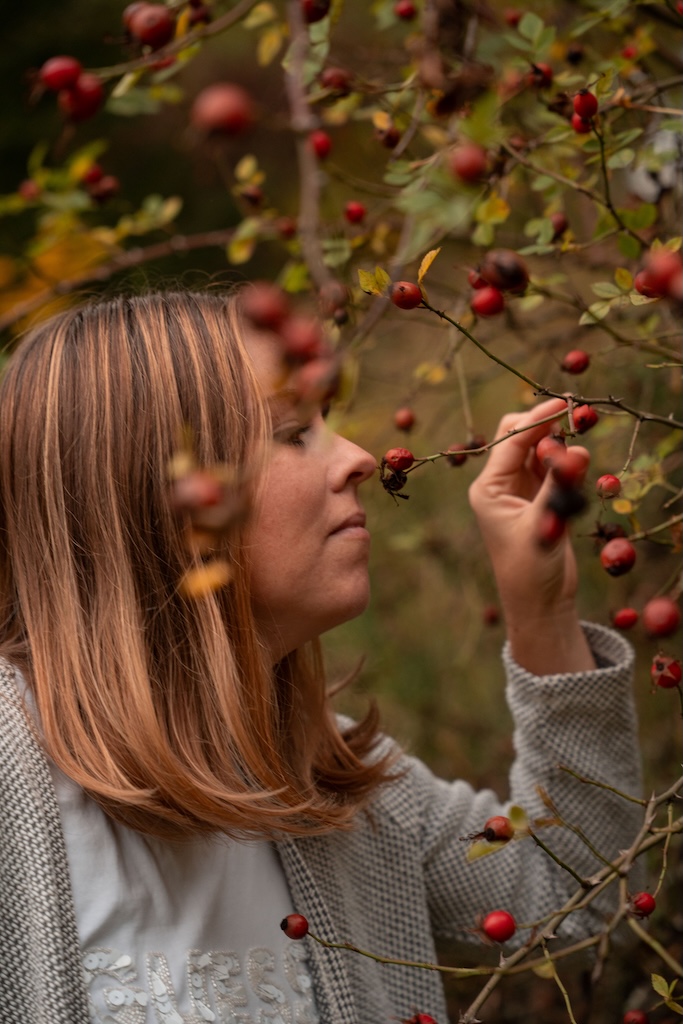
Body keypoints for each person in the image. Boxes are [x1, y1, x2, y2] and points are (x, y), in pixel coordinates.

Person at [0, 291, 641, 1024]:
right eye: (295, 431)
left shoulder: (329, 787)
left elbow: (580, 893)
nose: (360, 459)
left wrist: (541, 611)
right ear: (157, 495)